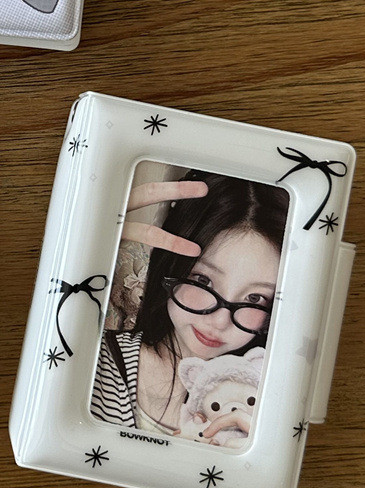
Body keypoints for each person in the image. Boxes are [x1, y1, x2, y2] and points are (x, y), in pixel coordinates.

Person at [90, 171, 288, 441]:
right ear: (173, 265)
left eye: (254, 298)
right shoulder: (91, 359)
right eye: (203, 281)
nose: (219, 321)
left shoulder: (273, 409)